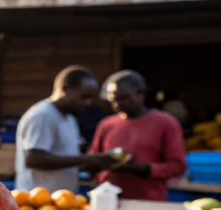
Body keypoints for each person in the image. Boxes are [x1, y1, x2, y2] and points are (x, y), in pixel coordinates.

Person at [14, 66, 117, 194]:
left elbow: (68, 153)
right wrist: (86, 159)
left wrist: (99, 159)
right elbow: (34, 159)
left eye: (91, 98)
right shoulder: (43, 115)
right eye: (84, 97)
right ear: (65, 90)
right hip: (37, 202)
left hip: (62, 201)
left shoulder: (69, 118)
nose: (88, 103)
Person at [90, 70, 187, 201]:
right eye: (114, 101)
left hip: (148, 201)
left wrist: (141, 168)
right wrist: (104, 163)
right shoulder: (106, 125)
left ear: (141, 93)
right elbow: (93, 158)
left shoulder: (166, 123)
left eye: (124, 98)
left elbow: (177, 165)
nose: (118, 105)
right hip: (108, 201)